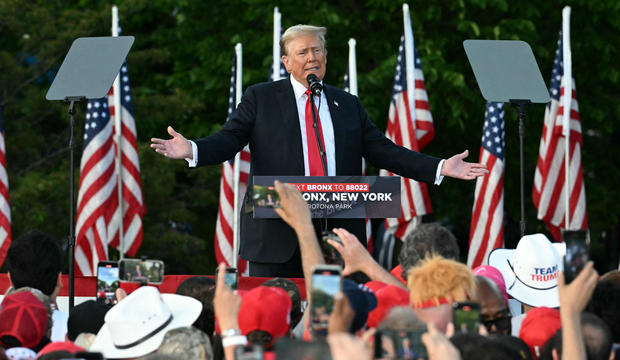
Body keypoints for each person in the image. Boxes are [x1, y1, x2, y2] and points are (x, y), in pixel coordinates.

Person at [150, 24, 488, 277]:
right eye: (302, 52)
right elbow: (229, 140)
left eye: (317, 50)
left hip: (338, 237)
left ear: (325, 57)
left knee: (336, 318)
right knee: (280, 317)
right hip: (277, 234)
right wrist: (191, 148)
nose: (312, 57)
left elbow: (384, 151)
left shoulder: (347, 104)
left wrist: (440, 167)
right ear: (286, 62)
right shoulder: (262, 98)